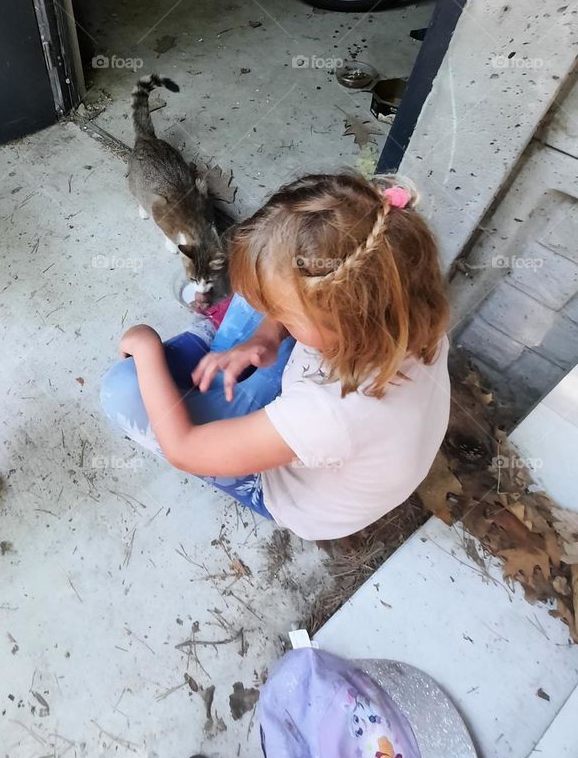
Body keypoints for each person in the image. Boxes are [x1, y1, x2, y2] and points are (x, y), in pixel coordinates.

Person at [100, 172, 451, 541]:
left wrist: (146, 346)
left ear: (340, 320)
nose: (274, 314)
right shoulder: (405, 309)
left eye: (283, 314)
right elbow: (299, 302)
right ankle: (225, 342)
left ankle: (210, 344)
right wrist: (269, 334)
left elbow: (185, 449)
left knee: (123, 388)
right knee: (265, 278)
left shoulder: (329, 416)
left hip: (280, 485)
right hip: (330, 400)